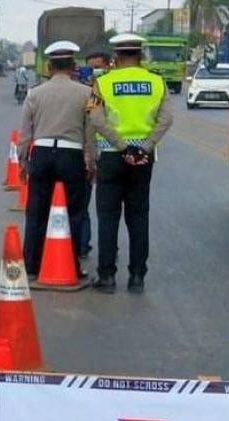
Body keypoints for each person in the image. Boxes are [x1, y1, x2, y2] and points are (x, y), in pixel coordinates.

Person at [88, 33, 173, 294]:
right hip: (143, 159)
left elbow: (96, 118)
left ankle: (107, 277)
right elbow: (166, 119)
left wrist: (121, 146)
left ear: (116, 56)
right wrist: (143, 148)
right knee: (138, 217)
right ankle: (137, 276)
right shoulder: (157, 83)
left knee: (108, 217)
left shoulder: (102, 82)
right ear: (141, 55)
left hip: (111, 156)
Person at [17, 41, 94, 279]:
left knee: (37, 210)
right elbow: (90, 131)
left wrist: (22, 161)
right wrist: (90, 161)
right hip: (71, 156)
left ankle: (31, 263)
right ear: (73, 67)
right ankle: (70, 263)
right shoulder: (87, 93)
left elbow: (25, 132)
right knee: (74, 212)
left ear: (49, 67)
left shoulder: (34, 93)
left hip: (41, 154)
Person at [74, 51, 110, 260]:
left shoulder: (108, 87)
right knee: (82, 202)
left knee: (108, 210)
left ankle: (108, 253)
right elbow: (87, 123)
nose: (94, 72)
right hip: (89, 153)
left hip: (110, 153)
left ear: (107, 67)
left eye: (98, 67)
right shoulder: (85, 93)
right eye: (90, 68)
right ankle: (82, 244)